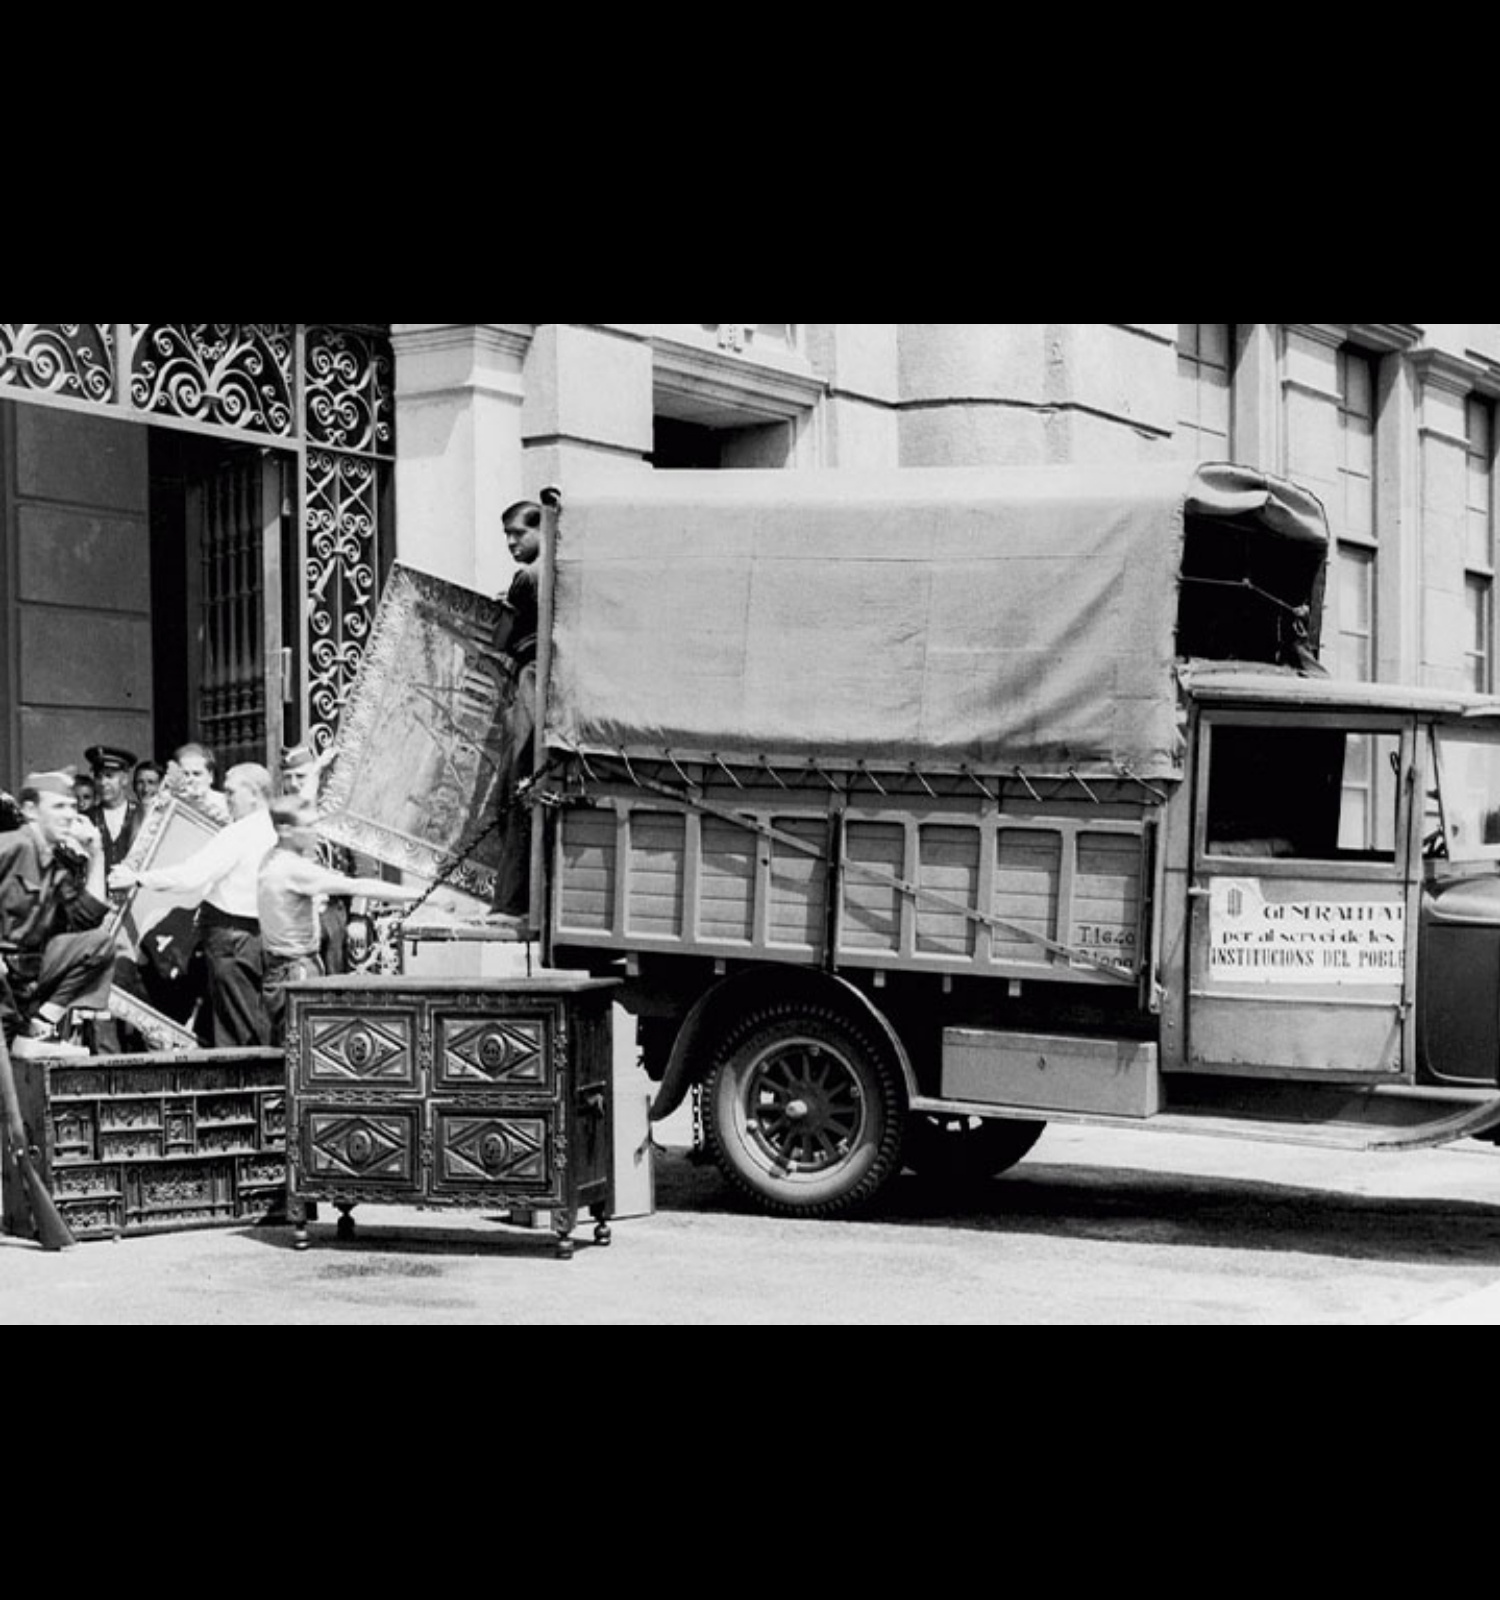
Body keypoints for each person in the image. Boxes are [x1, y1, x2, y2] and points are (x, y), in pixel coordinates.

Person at [110, 763, 275, 1047]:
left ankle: (238, 1091)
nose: (227, 799)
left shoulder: (239, 833)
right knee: (252, 1020)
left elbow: (191, 876)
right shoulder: (274, 829)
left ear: (255, 794)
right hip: (259, 938)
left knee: (233, 1028)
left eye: (232, 792)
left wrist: (137, 878)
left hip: (230, 940)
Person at [257, 795, 419, 1043]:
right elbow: (358, 885)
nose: (315, 833)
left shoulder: (271, 856)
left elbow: (296, 804)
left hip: (281, 970)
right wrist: (423, 896)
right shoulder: (294, 869)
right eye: (309, 826)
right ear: (286, 830)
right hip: (296, 971)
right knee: (306, 1052)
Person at [0, 770, 114, 1059]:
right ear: (30, 811)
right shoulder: (12, 845)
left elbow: (87, 917)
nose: (69, 816)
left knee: (99, 943)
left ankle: (39, 1025)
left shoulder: (54, 863)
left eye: (73, 807)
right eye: (58, 807)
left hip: (27, 974)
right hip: (4, 975)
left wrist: (97, 853)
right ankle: (17, 1041)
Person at [489, 499, 542, 931]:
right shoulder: (557, 573)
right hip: (542, 684)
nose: (510, 542)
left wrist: (501, 610)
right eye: (506, 534)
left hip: (528, 681)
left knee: (515, 788)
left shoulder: (527, 577)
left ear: (540, 531)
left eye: (517, 533)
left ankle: (510, 902)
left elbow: (502, 638)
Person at [85, 745, 143, 890]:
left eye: (109, 776)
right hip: (98, 904)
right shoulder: (87, 818)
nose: (103, 783)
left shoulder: (143, 815)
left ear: (124, 779)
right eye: (98, 776)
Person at [166, 743, 230, 823]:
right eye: (185, 774)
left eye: (196, 774)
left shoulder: (226, 805)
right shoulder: (170, 803)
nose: (190, 779)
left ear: (210, 776)